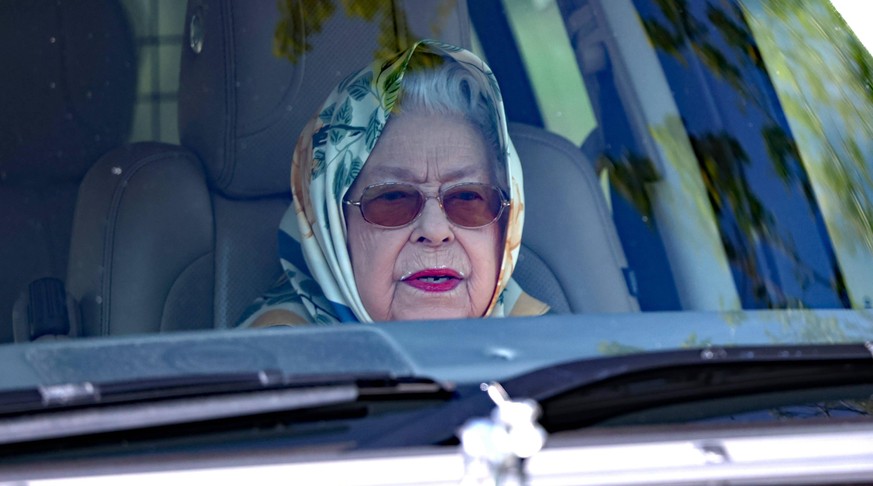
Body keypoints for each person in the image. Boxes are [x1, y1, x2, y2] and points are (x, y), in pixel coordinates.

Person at [238, 40, 548, 327]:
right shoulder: (269, 366)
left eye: (467, 198)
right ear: (331, 229)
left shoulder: (553, 349)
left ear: (506, 225)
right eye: (394, 198)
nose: (435, 231)